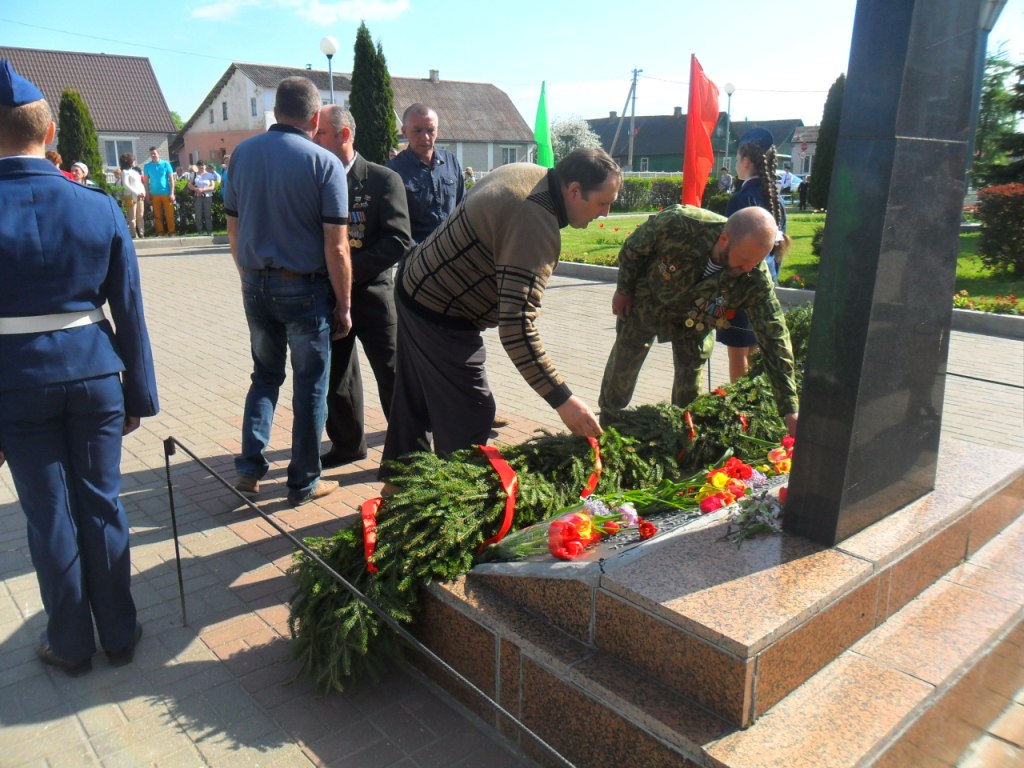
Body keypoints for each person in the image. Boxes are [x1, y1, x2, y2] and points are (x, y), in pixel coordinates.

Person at [0, 59, 158, 677]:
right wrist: (140, 393)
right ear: (49, 135)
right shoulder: (97, 204)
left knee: (49, 514)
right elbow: (130, 308)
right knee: (102, 503)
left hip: (15, 383)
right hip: (94, 376)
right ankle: (118, 631)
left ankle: (69, 643)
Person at [380, 147, 621, 477]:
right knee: (472, 411)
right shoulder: (535, 222)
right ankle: (455, 496)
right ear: (575, 190)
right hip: (438, 309)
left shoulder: (531, 174)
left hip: (416, 282)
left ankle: (399, 482)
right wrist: (563, 400)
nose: (606, 213)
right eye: (603, 202)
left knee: (415, 397)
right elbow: (517, 328)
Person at [224, 76, 352, 506]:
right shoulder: (325, 163)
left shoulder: (242, 155)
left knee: (264, 376)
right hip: (305, 289)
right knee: (310, 385)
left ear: (276, 112)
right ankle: (303, 481)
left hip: (254, 282)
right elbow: (337, 246)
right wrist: (345, 304)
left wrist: (247, 274)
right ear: (315, 119)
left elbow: (233, 228)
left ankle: (249, 468)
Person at [597, 205, 798, 437]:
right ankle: (606, 426)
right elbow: (633, 248)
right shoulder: (680, 223)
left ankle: (680, 435)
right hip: (648, 303)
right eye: (744, 260)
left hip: (695, 321)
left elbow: (775, 337)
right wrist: (623, 290)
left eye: (755, 262)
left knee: (690, 386)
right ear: (724, 239)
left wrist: (790, 408)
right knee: (623, 366)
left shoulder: (755, 277)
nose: (747, 269)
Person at [313, 105, 412, 468]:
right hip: (328, 296)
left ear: (344, 134)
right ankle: (347, 444)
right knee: (337, 376)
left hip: (372, 296)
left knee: (393, 374)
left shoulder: (383, 180)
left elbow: (398, 240)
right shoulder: (315, 179)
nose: (313, 139)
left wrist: (347, 273)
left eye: (320, 133)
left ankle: (409, 452)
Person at [716, 128, 791, 381]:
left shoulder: (741, 200)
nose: (737, 165)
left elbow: (730, 249)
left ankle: (740, 403)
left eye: (737, 160)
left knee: (738, 353)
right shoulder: (776, 201)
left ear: (746, 162)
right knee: (755, 349)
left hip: (741, 286)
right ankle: (754, 398)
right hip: (766, 285)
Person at [386, 103, 463, 244]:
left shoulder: (450, 162)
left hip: (454, 249)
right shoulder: (393, 172)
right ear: (404, 132)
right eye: (417, 130)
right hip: (417, 254)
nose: (425, 137)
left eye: (430, 130)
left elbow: (462, 206)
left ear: (437, 131)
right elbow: (393, 225)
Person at [143, 146, 176, 236]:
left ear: (158, 154)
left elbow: (171, 179)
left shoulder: (166, 164)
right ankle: (160, 232)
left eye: (154, 153)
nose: (153, 155)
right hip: (154, 194)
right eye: (151, 154)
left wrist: (172, 193)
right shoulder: (147, 166)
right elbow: (146, 182)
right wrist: (147, 195)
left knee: (169, 214)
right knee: (157, 215)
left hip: (166, 193)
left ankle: (172, 232)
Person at [118, 152, 146, 238]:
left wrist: (143, 191)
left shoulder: (135, 172)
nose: (134, 162)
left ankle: (142, 233)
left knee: (140, 216)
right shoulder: (125, 172)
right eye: (133, 160)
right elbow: (126, 185)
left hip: (140, 196)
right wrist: (136, 192)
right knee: (132, 217)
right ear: (129, 162)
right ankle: (134, 234)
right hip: (130, 196)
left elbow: (139, 183)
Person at [188, 159, 217, 235]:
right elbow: (189, 185)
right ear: (197, 166)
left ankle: (209, 231)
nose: (201, 166)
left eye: (202, 165)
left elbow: (212, 187)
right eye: (199, 165)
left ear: (205, 166)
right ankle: (200, 231)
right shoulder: (194, 174)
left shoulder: (210, 175)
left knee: (208, 214)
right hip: (197, 196)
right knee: (198, 214)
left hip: (207, 197)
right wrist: (196, 189)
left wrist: (203, 190)